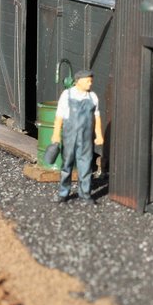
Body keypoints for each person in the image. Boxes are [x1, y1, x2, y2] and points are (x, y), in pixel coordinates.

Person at [50, 69, 104, 204]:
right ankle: (63, 193)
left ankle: (85, 194)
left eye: (91, 81)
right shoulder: (67, 95)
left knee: (86, 165)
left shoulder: (92, 97)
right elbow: (59, 116)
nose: (90, 84)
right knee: (66, 164)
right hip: (69, 135)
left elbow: (96, 117)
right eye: (88, 81)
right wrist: (56, 134)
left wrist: (99, 134)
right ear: (78, 81)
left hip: (86, 137)